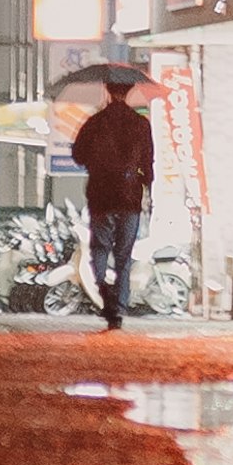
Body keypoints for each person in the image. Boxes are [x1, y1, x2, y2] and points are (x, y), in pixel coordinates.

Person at [67, 66, 154, 330]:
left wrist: (98, 161)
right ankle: (119, 306)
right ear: (130, 92)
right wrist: (147, 187)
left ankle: (105, 293)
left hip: (101, 196)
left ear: (106, 89)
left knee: (100, 250)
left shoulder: (95, 122)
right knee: (124, 254)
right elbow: (149, 163)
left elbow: (78, 156)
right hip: (130, 197)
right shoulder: (140, 124)